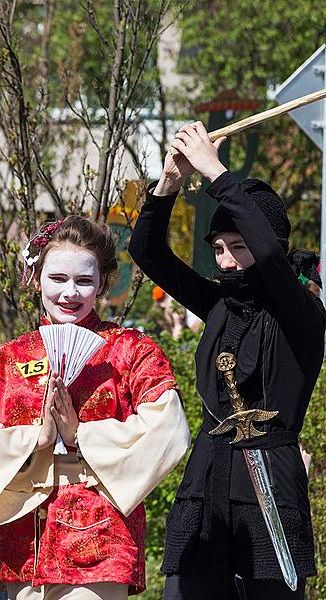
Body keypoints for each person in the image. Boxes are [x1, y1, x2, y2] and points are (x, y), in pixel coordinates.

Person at [0, 216, 191, 600]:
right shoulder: (1, 362)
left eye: (84, 281)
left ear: (102, 284)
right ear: (37, 278)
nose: (69, 293)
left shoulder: (130, 352)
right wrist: (33, 441)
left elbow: (169, 429)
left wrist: (81, 435)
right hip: (24, 542)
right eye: (57, 279)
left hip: (101, 537)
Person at [128, 122, 325, 600]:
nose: (228, 261)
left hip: (270, 482)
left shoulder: (303, 312)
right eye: (218, 248)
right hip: (208, 476)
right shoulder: (218, 303)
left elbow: (273, 262)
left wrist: (216, 171)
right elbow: (146, 252)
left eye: (239, 246)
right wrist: (169, 183)